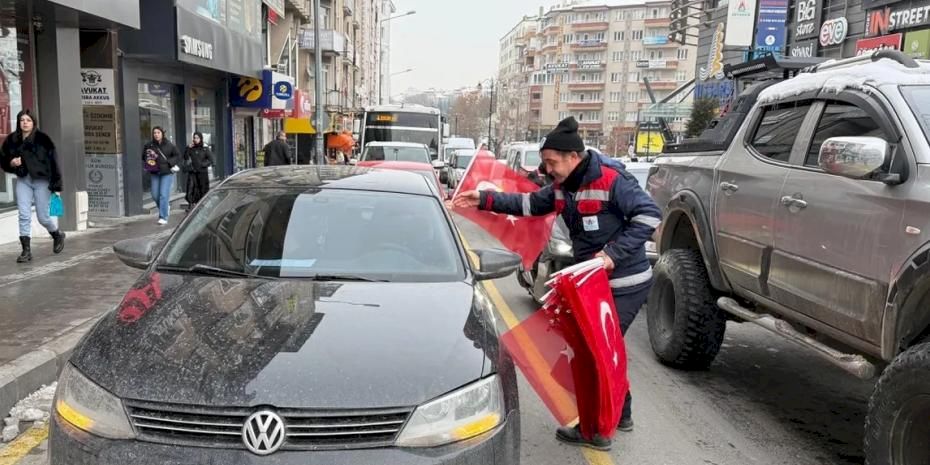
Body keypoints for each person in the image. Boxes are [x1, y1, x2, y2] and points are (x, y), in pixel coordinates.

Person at [453, 116, 662, 450]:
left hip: (624, 283)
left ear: (573, 157)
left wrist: (613, 254)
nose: (547, 170)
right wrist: (483, 199)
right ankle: (620, 412)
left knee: (595, 351)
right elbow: (529, 204)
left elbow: (650, 215)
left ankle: (596, 429)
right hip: (591, 283)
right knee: (606, 349)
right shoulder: (564, 185)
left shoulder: (611, 179)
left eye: (552, 162)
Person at [0, 109, 66, 263]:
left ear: (33, 122)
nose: (25, 123)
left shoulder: (43, 139)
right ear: (18, 122)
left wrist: (57, 185)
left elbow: (54, 162)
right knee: (23, 214)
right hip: (23, 180)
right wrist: (11, 162)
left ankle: (57, 234)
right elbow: (3, 158)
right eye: (22, 120)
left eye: (28, 120)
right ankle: (26, 251)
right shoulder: (12, 140)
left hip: (42, 181)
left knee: (43, 217)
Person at [142, 126, 181, 225]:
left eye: (158, 132)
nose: (156, 134)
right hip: (154, 172)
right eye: (154, 133)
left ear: (162, 134)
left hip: (166, 173)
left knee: (163, 195)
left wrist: (169, 163)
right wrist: (148, 158)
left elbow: (177, 156)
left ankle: (163, 217)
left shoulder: (169, 145)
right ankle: (165, 207)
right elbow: (144, 156)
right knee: (155, 195)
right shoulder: (149, 145)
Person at [183, 132, 214, 211]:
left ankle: (202, 206)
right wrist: (188, 148)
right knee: (191, 189)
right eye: (194, 138)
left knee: (202, 189)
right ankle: (191, 205)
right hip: (193, 172)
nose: (195, 139)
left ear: (200, 139)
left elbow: (211, 160)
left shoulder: (205, 148)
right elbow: (185, 157)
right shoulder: (191, 148)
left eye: (197, 138)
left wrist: (202, 164)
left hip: (202, 173)